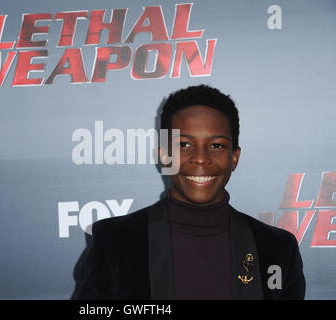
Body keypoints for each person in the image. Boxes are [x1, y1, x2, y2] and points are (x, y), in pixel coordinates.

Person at [71, 85, 305, 300]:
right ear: (164, 156)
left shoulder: (278, 249)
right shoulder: (115, 241)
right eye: (184, 144)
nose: (201, 158)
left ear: (234, 157)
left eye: (217, 145)